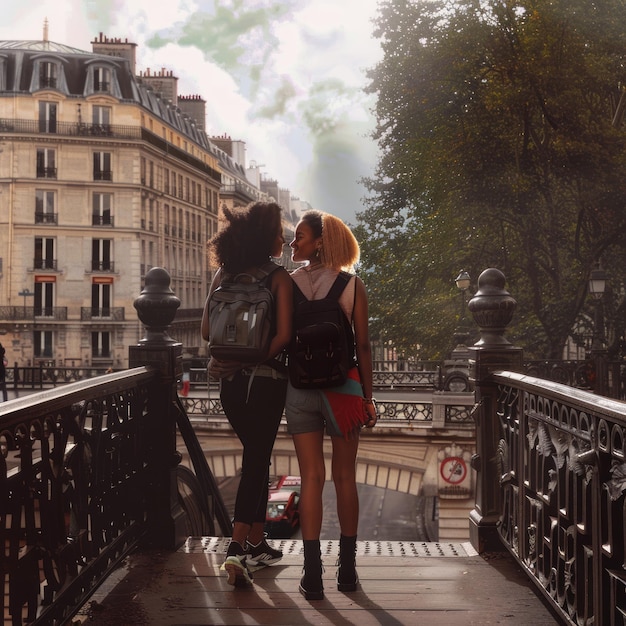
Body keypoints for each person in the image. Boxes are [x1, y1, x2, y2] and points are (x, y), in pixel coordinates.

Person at [286, 210, 377, 600]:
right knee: (344, 478)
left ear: (319, 242)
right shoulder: (352, 285)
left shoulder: (286, 286)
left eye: (300, 237)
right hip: (344, 390)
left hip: (300, 389)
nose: (293, 244)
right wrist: (368, 398)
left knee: (310, 478)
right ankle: (348, 571)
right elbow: (363, 346)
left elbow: (281, 339)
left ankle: (311, 576)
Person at [201, 201, 293, 587]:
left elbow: (207, 330)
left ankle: (257, 541)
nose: (284, 238)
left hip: (230, 385)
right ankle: (236, 549)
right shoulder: (279, 277)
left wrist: (235, 363)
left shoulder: (224, 272)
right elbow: (284, 336)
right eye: (279, 233)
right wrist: (254, 357)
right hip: (266, 382)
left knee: (259, 456)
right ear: (265, 238)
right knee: (257, 460)